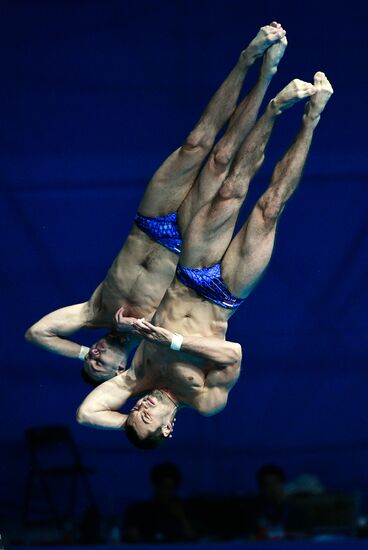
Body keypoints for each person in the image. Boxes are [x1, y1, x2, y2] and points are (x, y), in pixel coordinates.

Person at [76, 70, 333, 449]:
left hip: (191, 274)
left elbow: (85, 414)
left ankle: (275, 109)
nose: (142, 408)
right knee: (270, 207)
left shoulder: (137, 377)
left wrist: (128, 424)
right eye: (146, 418)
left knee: (231, 189)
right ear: (168, 429)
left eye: (135, 411)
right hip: (225, 296)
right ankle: (312, 117)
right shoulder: (205, 401)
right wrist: (174, 341)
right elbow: (233, 353)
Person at [25, 23, 287, 384]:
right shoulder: (155, 336)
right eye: (99, 364)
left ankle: (247, 58)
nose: (97, 354)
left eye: (92, 356)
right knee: (222, 160)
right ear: (120, 369)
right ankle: (266, 80)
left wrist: (83, 353)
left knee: (195, 142)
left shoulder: (94, 312)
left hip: (149, 222)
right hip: (182, 239)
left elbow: (37, 333)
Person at [123, 462, 197, 543]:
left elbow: (193, 539)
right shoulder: (138, 511)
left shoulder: (183, 509)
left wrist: (182, 517)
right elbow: (131, 538)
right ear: (155, 486)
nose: (167, 492)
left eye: (171, 488)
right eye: (164, 487)